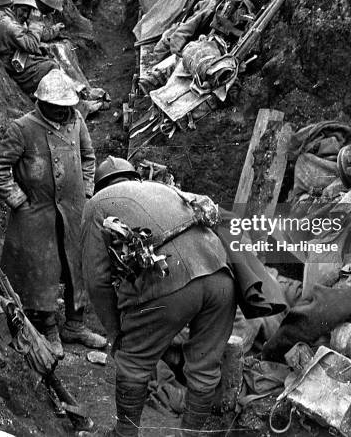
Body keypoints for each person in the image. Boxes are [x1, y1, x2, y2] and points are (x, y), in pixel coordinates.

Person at [80, 156, 237, 437]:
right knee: (204, 367)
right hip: (221, 276)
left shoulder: (97, 204)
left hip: (168, 279)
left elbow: (97, 281)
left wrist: (116, 332)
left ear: (99, 185)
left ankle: (124, 435)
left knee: (133, 362)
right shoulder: (165, 189)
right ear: (134, 176)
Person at [0, 70, 107, 358]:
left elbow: (88, 157)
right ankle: (48, 325)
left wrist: (87, 191)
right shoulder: (22, 128)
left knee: (77, 266)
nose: (61, 111)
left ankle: (75, 325)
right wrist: (17, 199)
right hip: (37, 213)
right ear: (41, 102)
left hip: (74, 210)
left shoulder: (76, 121)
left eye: (65, 106)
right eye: (55, 106)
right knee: (42, 272)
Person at [0, 0, 59, 95]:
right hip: (12, 68)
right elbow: (32, 46)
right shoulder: (9, 25)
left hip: (7, 59)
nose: (25, 15)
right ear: (12, 7)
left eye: (27, 12)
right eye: (23, 10)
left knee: (44, 56)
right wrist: (35, 23)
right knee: (52, 67)